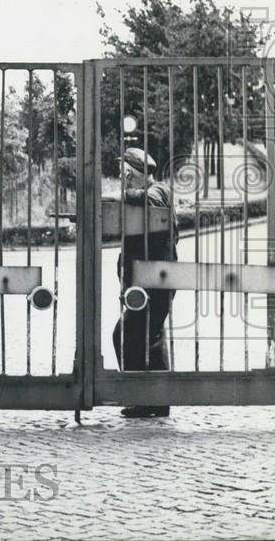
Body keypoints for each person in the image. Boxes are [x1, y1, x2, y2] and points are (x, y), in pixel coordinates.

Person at [107, 147, 178, 419]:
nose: (121, 176)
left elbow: (153, 199)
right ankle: (155, 402)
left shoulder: (159, 190)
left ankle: (146, 398)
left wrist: (118, 195)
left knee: (130, 335)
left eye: (123, 171)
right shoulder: (143, 195)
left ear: (128, 171)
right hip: (146, 284)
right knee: (150, 337)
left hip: (155, 282)